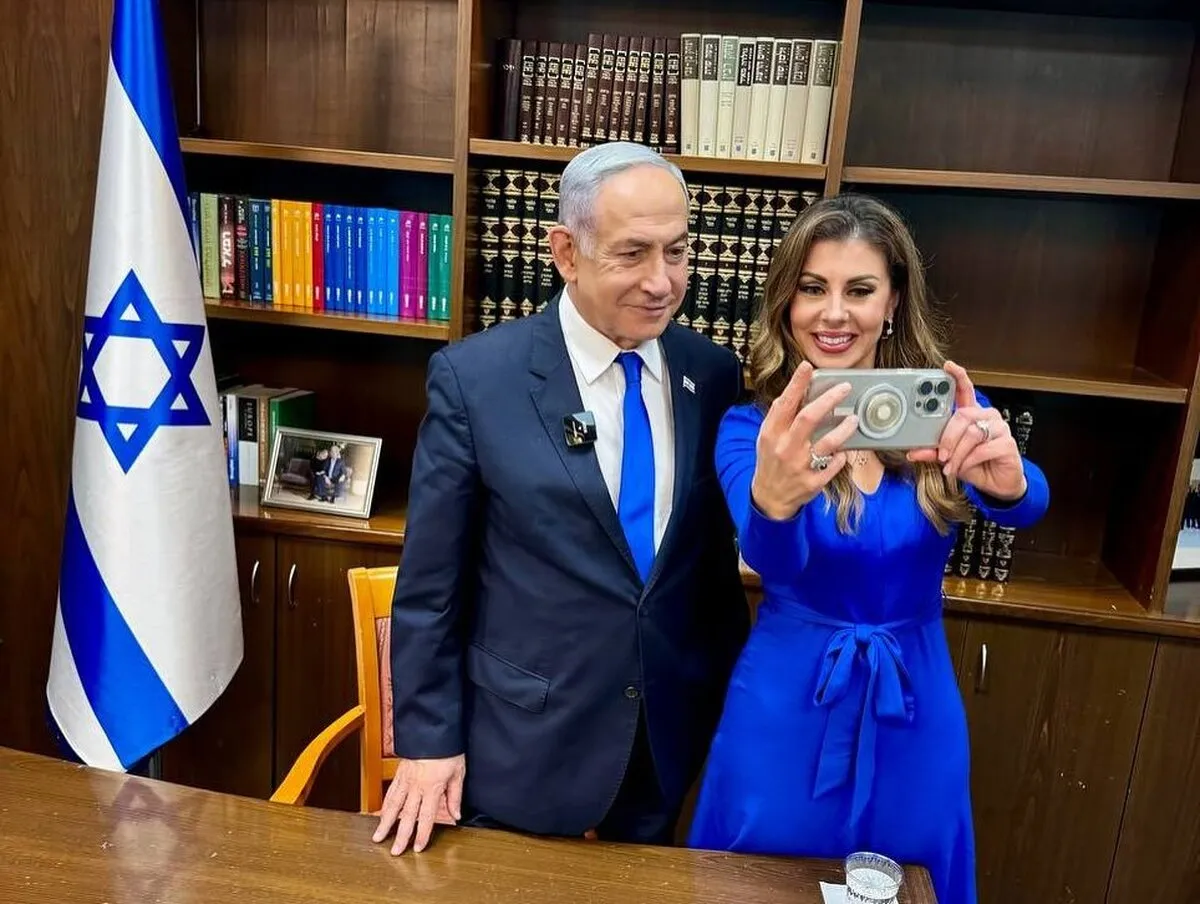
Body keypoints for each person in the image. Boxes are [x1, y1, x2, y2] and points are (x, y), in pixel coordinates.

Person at [372, 141, 750, 856]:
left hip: (662, 741)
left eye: (677, 252)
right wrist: (427, 742)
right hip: (522, 743)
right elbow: (430, 588)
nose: (662, 281)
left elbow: (703, 570)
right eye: (633, 254)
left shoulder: (712, 374)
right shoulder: (476, 380)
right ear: (566, 253)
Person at [685, 193, 1049, 904]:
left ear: (892, 302)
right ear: (787, 302)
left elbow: (1027, 499)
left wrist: (1008, 481)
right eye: (812, 288)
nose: (833, 314)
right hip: (786, 703)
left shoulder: (937, 408)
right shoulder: (755, 428)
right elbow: (771, 558)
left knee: (913, 879)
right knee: (756, 880)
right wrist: (776, 499)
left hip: (915, 702)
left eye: (858, 290)